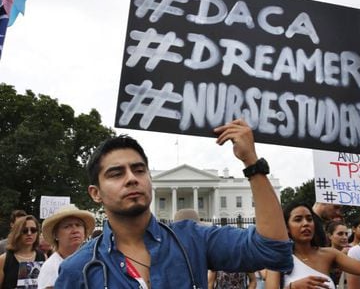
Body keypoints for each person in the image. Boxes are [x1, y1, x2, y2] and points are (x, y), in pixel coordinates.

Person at [55, 119, 293, 288]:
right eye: (116, 174)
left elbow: (272, 250)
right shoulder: (79, 269)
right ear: (95, 193)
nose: (131, 178)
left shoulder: (193, 240)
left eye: (139, 170)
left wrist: (251, 163)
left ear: (149, 179)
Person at [265, 202, 360, 289]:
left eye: (309, 219)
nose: (305, 224)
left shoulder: (329, 254)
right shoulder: (278, 259)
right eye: (298, 219)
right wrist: (293, 287)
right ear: (287, 228)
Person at [37, 204, 95, 289]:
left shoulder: (94, 259)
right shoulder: (50, 267)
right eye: (67, 226)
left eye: (78, 225)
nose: (75, 230)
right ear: (56, 235)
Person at [0, 215, 46, 288]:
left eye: (33, 230)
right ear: (17, 232)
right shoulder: (4, 259)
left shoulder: (43, 256)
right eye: (24, 230)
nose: (29, 233)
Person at [326, 220, 351, 287]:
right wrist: (340, 256)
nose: (345, 237)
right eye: (340, 234)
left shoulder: (352, 252)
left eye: (346, 234)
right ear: (330, 236)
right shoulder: (323, 254)